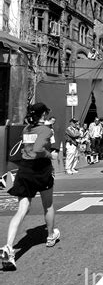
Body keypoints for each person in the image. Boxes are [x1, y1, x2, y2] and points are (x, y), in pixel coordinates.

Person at [1, 103, 60, 271]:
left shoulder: (26, 129)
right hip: (41, 169)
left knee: (21, 209)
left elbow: (29, 148)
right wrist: (51, 154)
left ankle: (9, 246)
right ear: (43, 114)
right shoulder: (46, 130)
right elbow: (38, 149)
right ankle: (50, 236)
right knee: (47, 204)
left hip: (25, 169)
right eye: (47, 113)